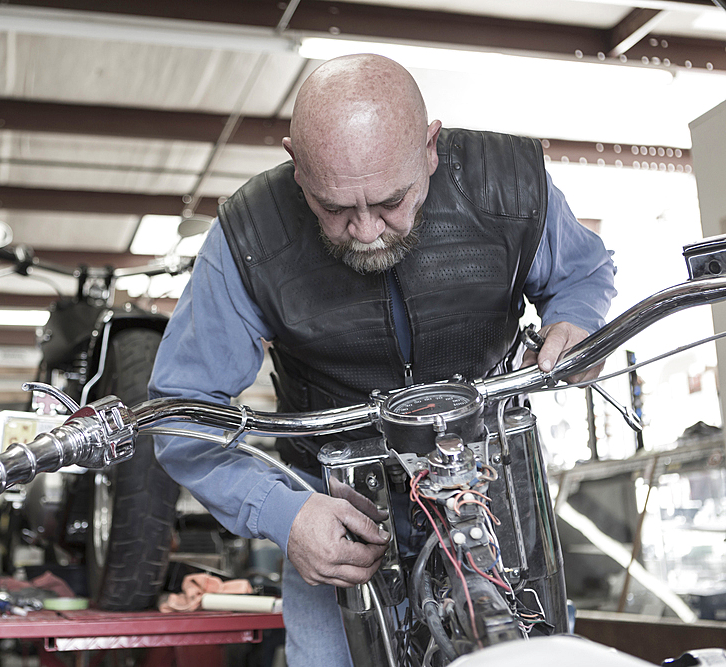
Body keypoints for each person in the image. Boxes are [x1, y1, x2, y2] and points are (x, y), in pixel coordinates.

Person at [148, 54, 615, 666]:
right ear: (296, 165)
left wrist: (577, 323)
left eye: (391, 201)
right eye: (335, 208)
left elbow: (583, 272)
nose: (367, 231)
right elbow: (181, 411)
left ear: (430, 147)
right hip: (332, 518)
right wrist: (283, 513)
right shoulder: (248, 237)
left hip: (490, 493)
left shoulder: (511, 185)